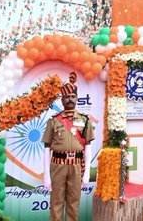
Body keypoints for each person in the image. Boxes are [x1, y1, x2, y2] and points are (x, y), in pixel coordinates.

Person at [42, 73, 95, 221]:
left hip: (76, 166)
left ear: (77, 99)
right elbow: (47, 148)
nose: (70, 99)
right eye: (67, 97)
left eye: (73, 96)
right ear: (62, 99)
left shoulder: (85, 120)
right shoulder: (53, 121)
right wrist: (46, 175)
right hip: (58, 165)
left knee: (73, 202)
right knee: (56, 202)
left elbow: (88, 146)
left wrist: (87, 174)